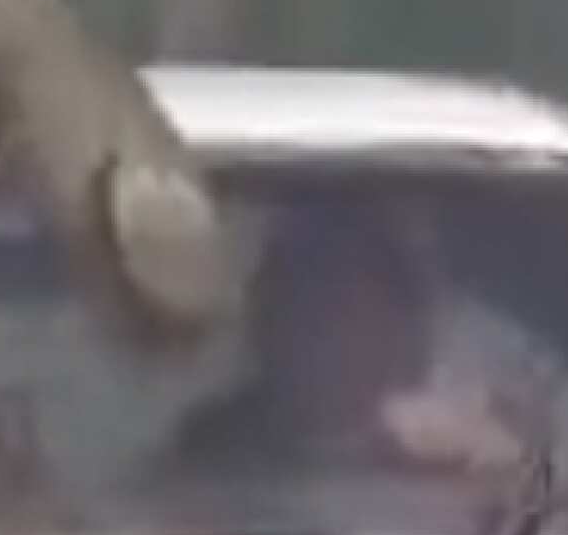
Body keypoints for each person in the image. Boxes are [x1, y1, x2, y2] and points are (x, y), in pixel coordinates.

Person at [164, 197, 520, 482]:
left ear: (404, 326)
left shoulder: (457, 451)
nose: (325, 338)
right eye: (302, 303)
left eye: (349, 310)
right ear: (266, 321)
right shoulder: (212, 451)